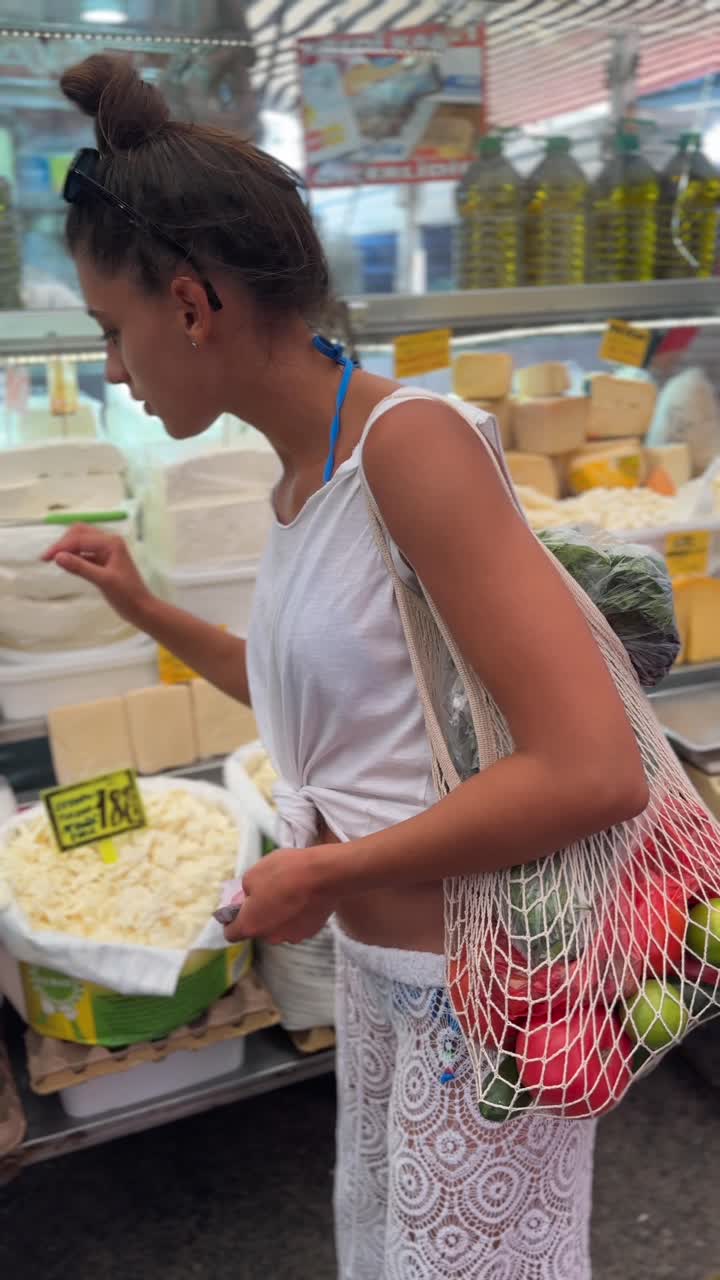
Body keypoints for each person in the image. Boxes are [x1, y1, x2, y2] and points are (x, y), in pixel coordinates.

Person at [47, 54, 648, 1280]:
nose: (113, 366)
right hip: (387, 983)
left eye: (112, 330)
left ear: (191, 304)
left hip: (483, 995)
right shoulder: (300, 472)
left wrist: (326, 867)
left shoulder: (409, 448)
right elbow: (325, 710)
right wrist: (144, 605)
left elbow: (593, 770)